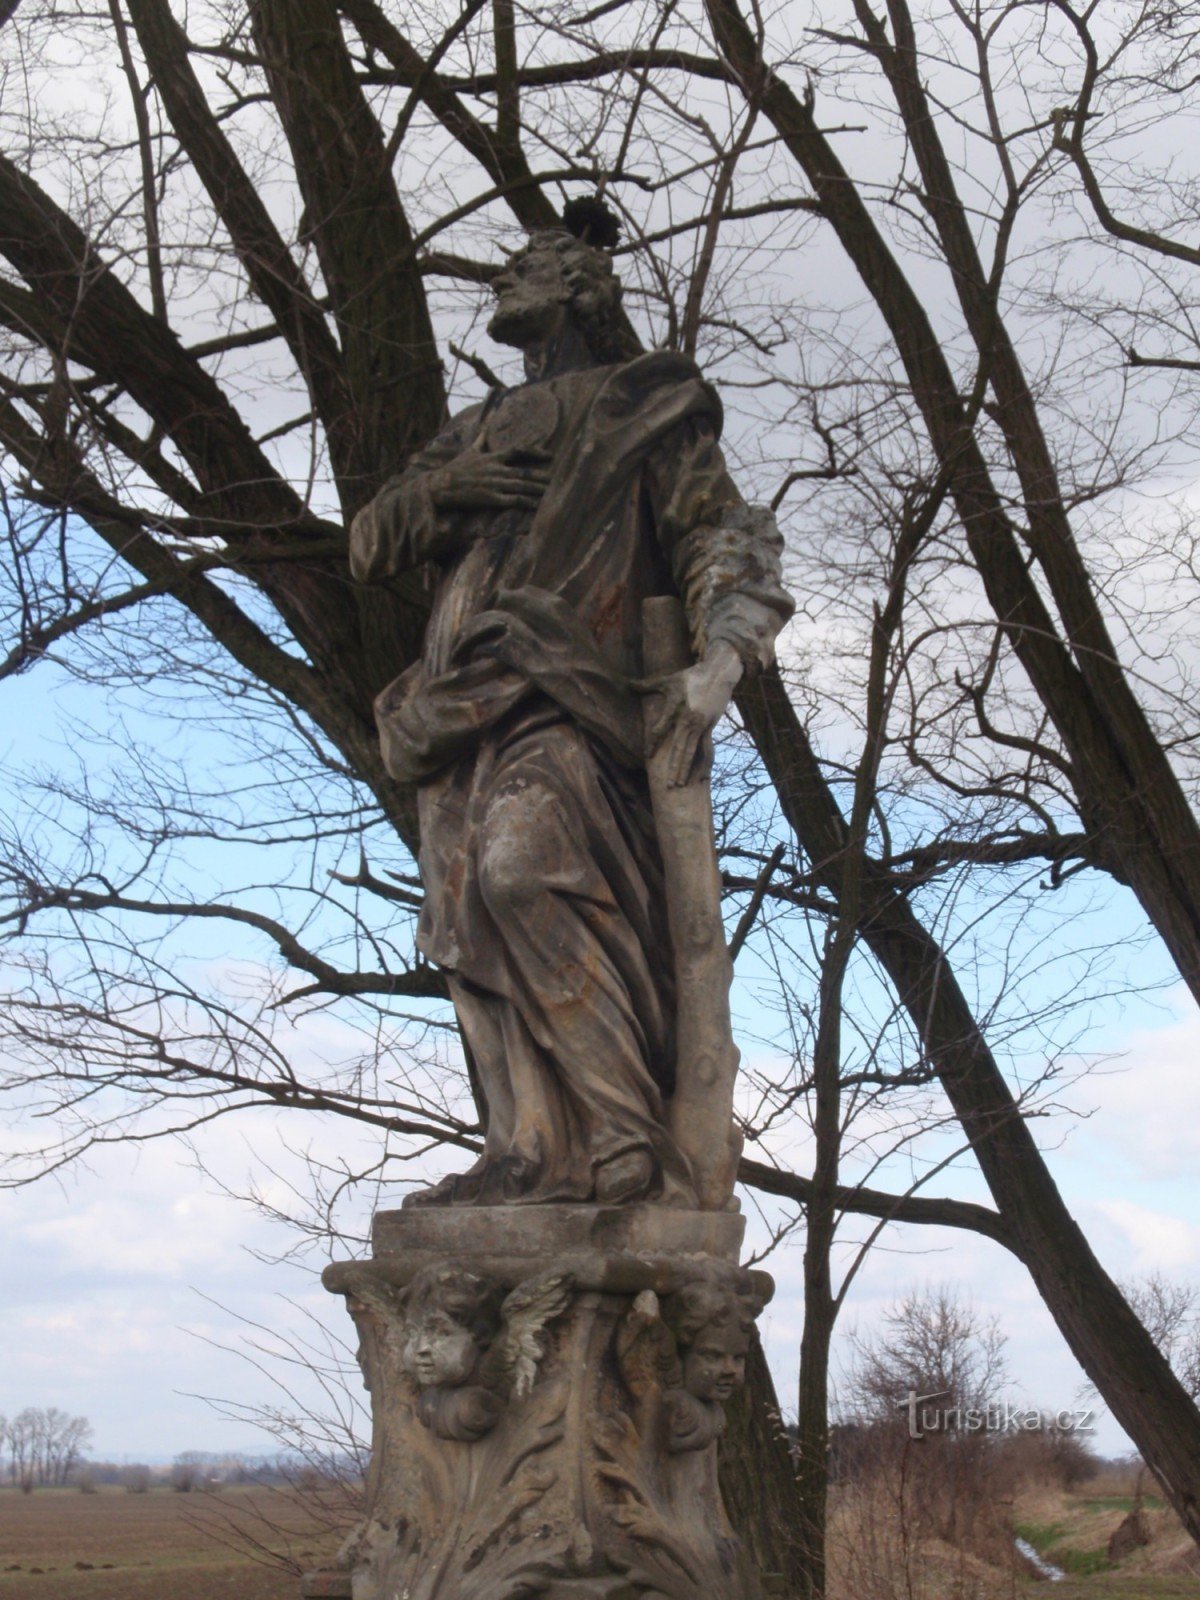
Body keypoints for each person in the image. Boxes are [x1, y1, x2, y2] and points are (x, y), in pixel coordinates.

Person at [350, 200, 792, 1208]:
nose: (502, 280)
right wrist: (453, 487)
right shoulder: (471, 431)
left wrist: (724, 653)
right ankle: (525, 1144)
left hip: (570, 687)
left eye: (528, 267)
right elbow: (372, 545)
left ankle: (622, 1136)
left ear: (583, 287)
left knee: (522, 872)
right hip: (453, 708)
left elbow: (717, 530)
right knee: (464, 921)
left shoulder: (643, 404)